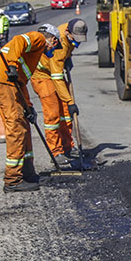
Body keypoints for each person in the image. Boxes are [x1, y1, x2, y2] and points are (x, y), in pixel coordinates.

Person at [0, 25, 60, 191]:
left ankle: (28, 173)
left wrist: (29, 107)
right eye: (55, 45)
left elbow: (21, 83)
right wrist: (11, 65)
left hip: (4, 82)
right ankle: (12, 180)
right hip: (3, 80)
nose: (54, 49)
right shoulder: (39, 39)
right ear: (52, 39)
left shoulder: (32, 56)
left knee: (23, 124)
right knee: (16, 128)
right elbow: (19, 40)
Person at [30, 19, 88, 166]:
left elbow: (61, 64)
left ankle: (68, 147)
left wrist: (68, 58)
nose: (77, 43)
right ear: (68, 33)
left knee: (65, 114)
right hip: (43, 76)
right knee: (53, 114)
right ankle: (55, 152)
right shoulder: (59, 44)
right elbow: (56, 76)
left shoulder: (69, 32)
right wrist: (70, 101)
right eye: (75, 39)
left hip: (54, 73)